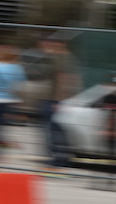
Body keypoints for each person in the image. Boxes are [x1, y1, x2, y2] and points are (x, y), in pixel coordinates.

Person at [32, 37, 81, 169]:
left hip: (54, 101)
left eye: (52, 42)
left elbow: (62, 78)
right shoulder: (65, 57)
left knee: (53, 131)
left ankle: (58, 161)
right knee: (56, 131)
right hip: (57, 100)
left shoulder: (60, 57)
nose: (48, 44)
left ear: (61, 43)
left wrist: (58, 100)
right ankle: (59, 159)